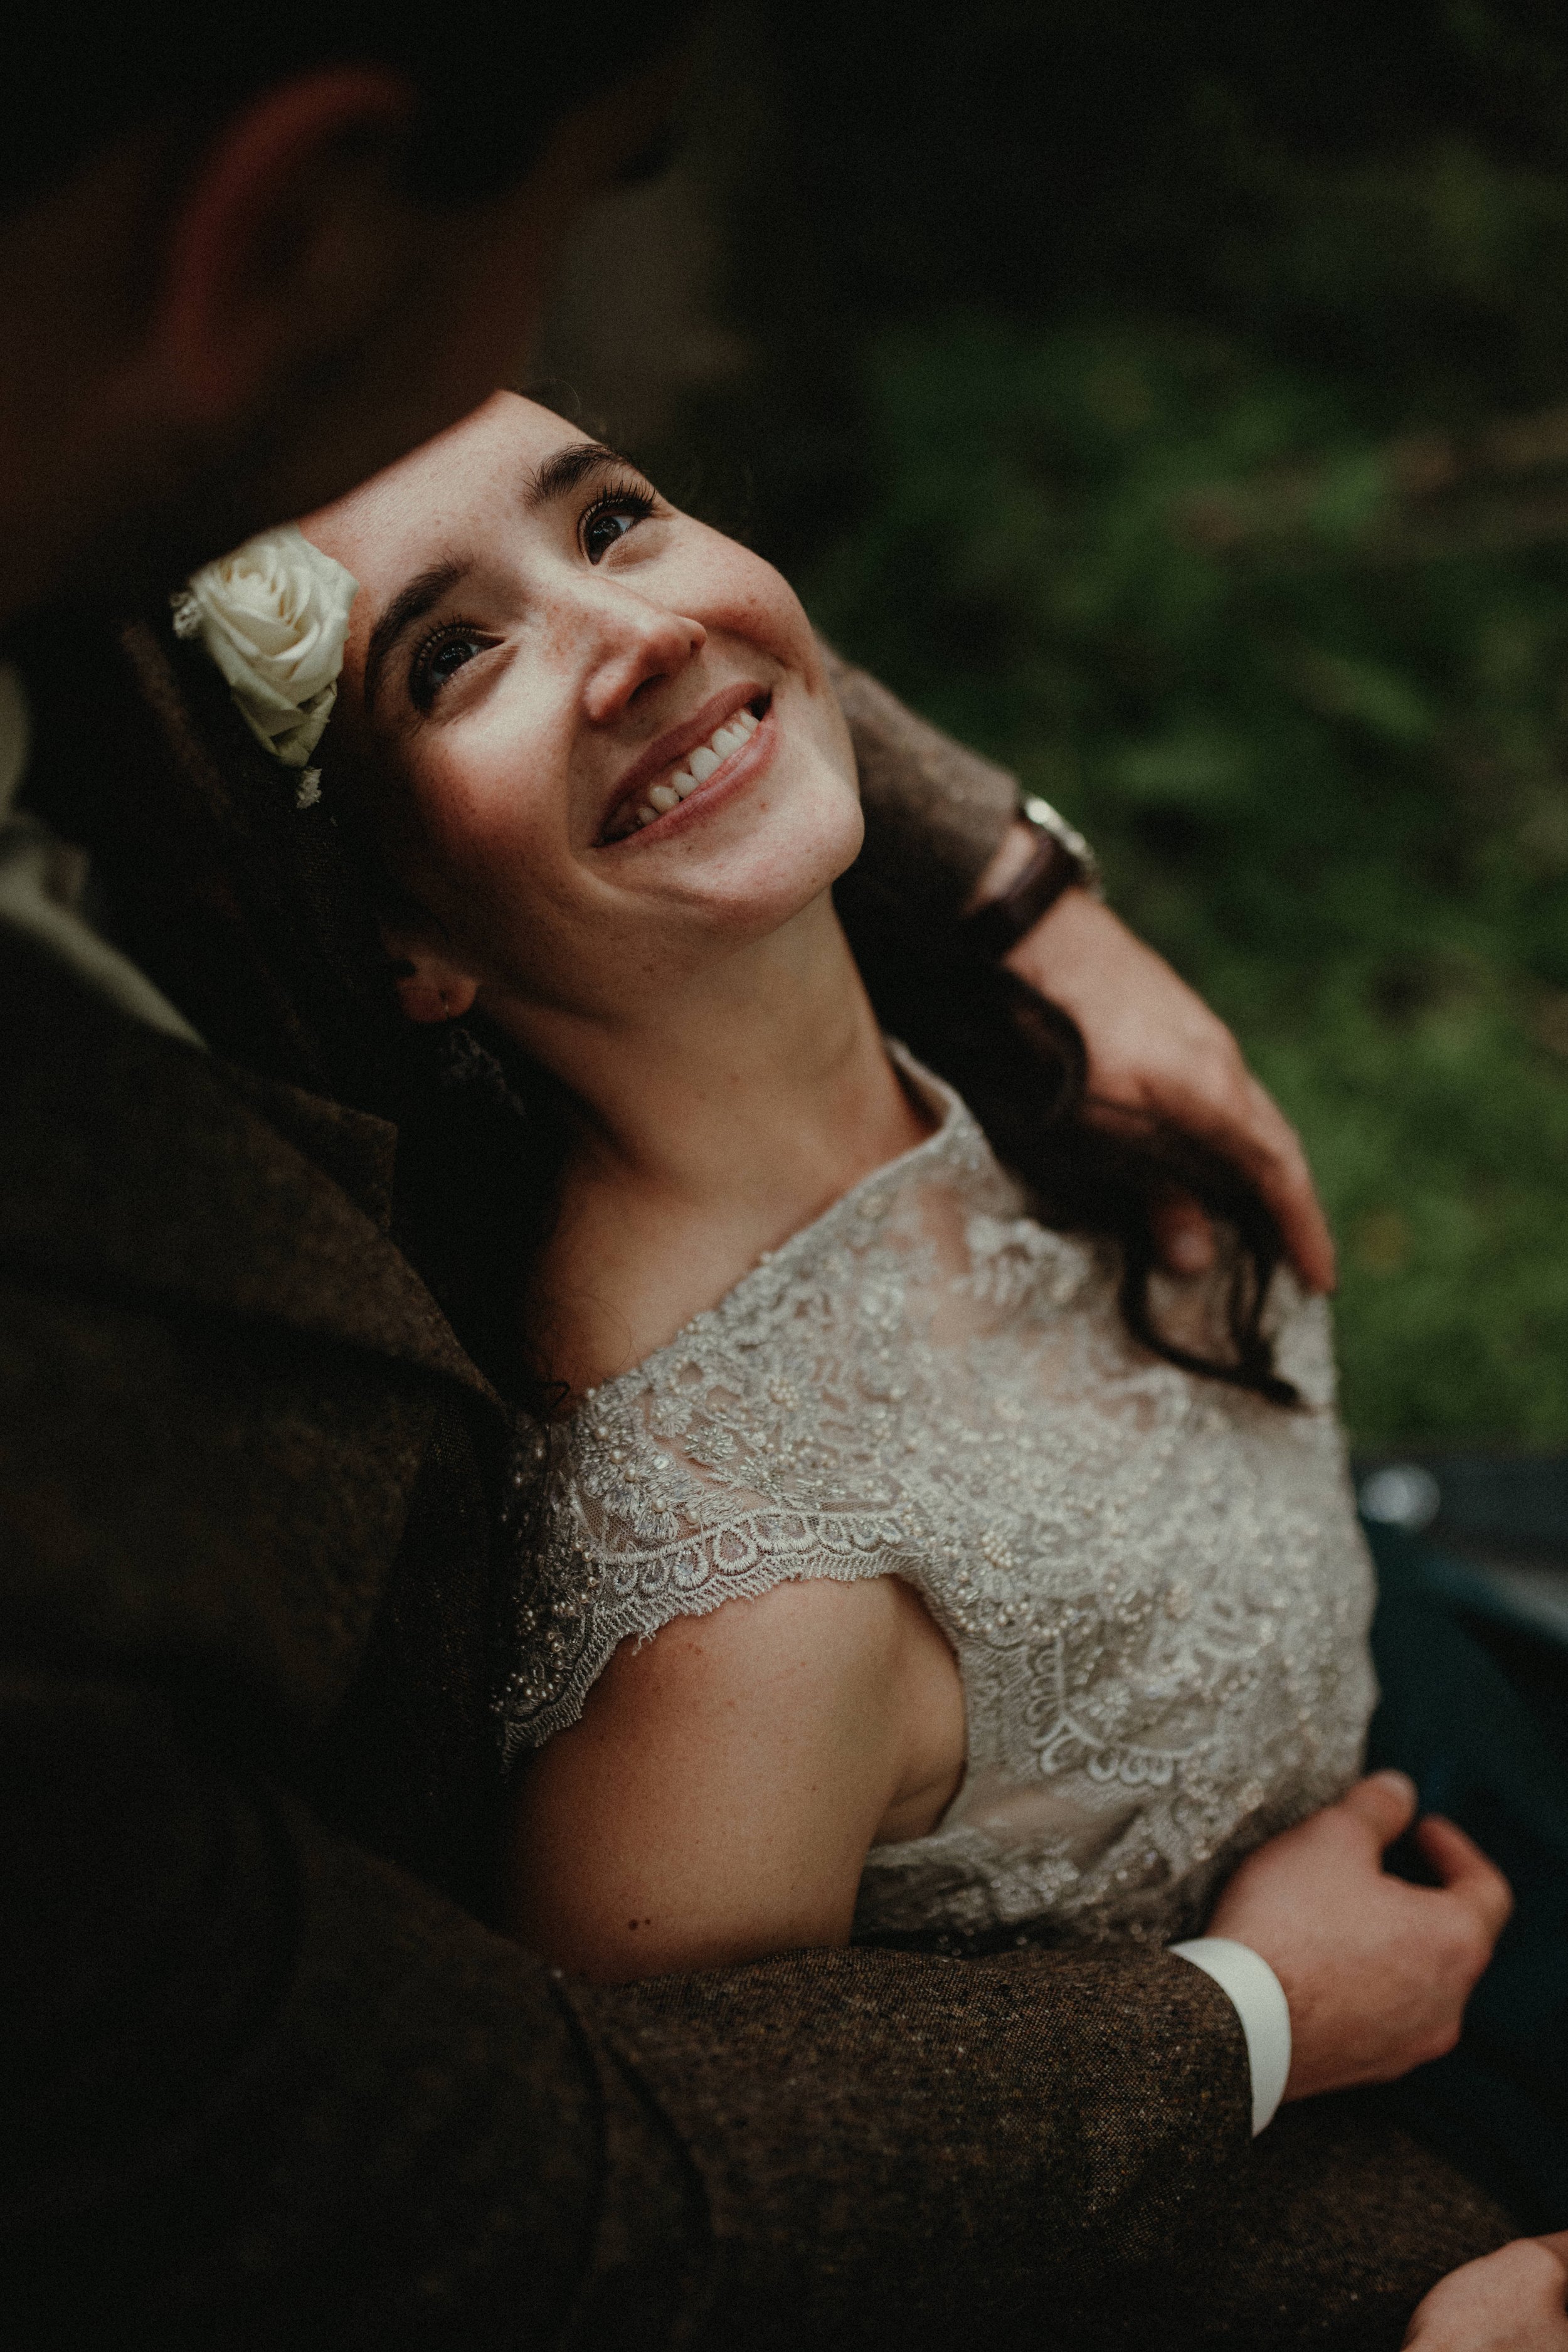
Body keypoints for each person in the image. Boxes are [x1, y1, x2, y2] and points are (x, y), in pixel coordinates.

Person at [0, 9, 1557, 2345]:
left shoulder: (973, 1042)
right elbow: (726, 2222)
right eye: (454, 660)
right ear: (403, 946)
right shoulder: (742, 1576)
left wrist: (1030, 900)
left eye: (614, 511)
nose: (629, 630)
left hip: (1444, 1771)